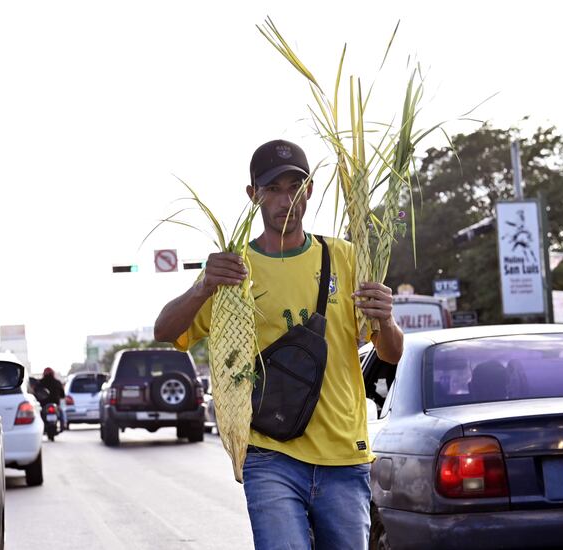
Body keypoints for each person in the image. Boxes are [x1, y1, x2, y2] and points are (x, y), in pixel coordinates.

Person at [154, 139, 403, 550]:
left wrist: (387, 319)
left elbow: (390, 353)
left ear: (308, 190)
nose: (285, 200)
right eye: (273, 189)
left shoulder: (344, 257)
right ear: (253, 196)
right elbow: (165, 331)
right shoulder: (234, 271)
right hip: (271, 455)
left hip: (344, 454)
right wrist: (202, 286)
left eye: (295, 187)